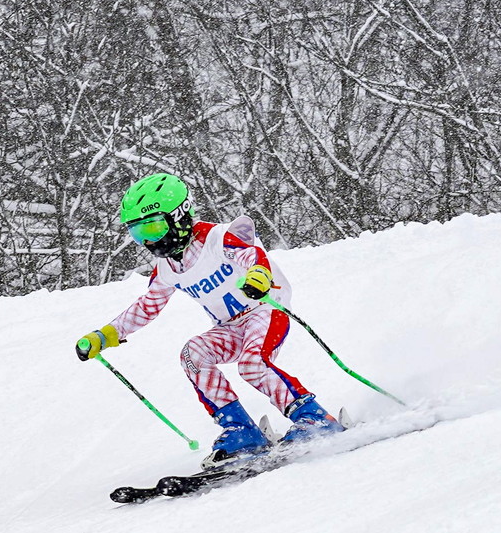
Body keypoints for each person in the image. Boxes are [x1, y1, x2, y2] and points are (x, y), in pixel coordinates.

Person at [76, 172, 343, 464]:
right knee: (193, 354)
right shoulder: (167, 267)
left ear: (179, 216)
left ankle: (314, 418)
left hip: (265, 311)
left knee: (251, 365)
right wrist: (105, 335)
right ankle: (241, 431)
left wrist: (259, 275)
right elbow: (147, 305)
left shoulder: (218, 237)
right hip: (230, 327)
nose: (149, 242)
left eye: (153, 228)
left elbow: (250, 255)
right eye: (139, 234)